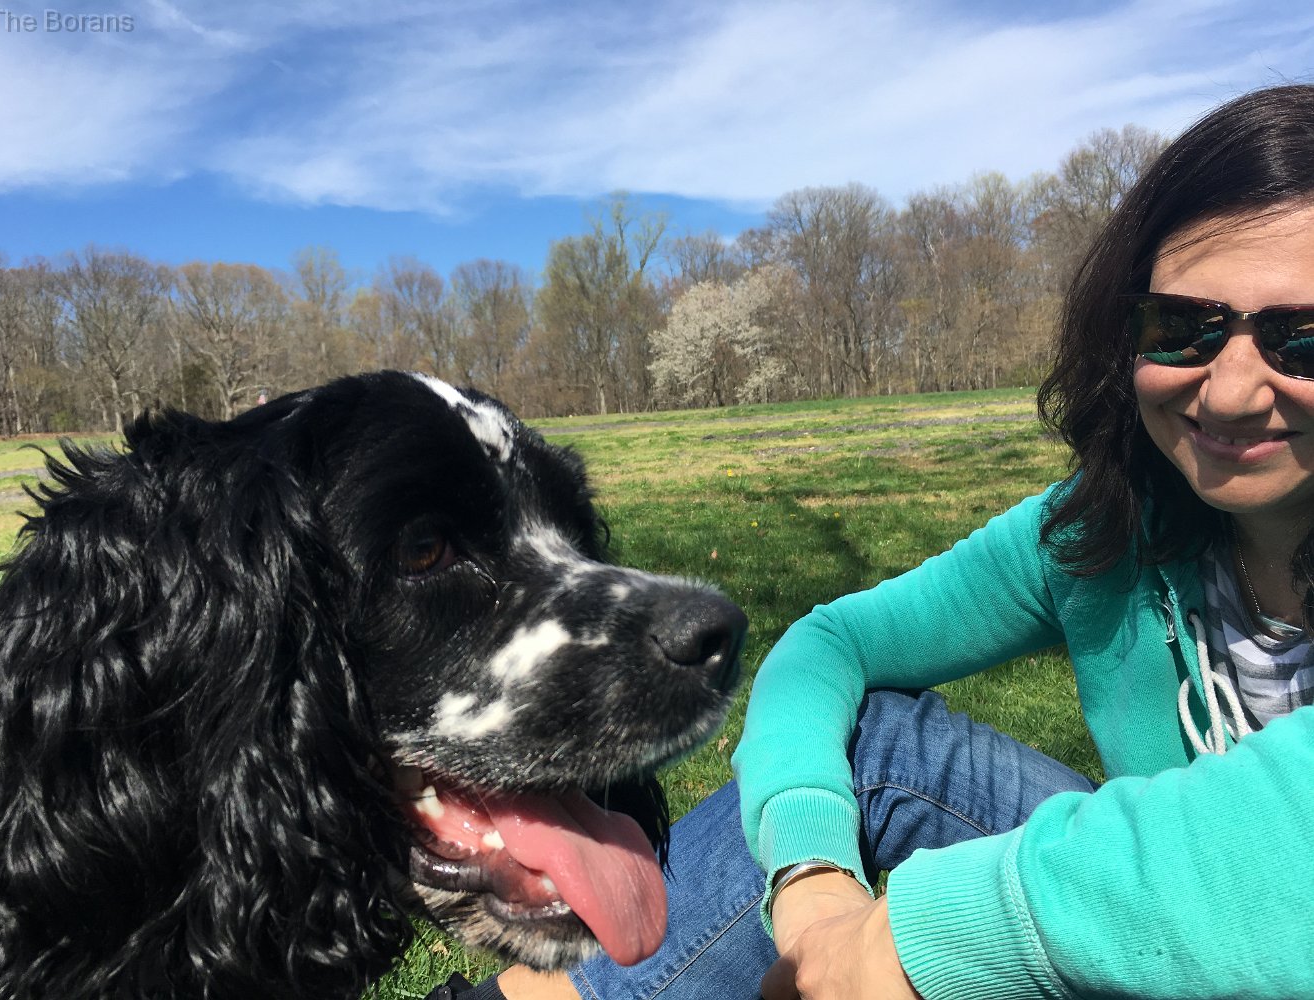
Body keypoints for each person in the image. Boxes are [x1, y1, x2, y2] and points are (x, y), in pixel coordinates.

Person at [433, 82, 1314, 1000]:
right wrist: (809, 882)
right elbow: (831, 644)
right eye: (1183, 329)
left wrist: (921, 936)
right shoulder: (1111, 529)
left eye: (1301, 341)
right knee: (880, 743)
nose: (1228, 393)